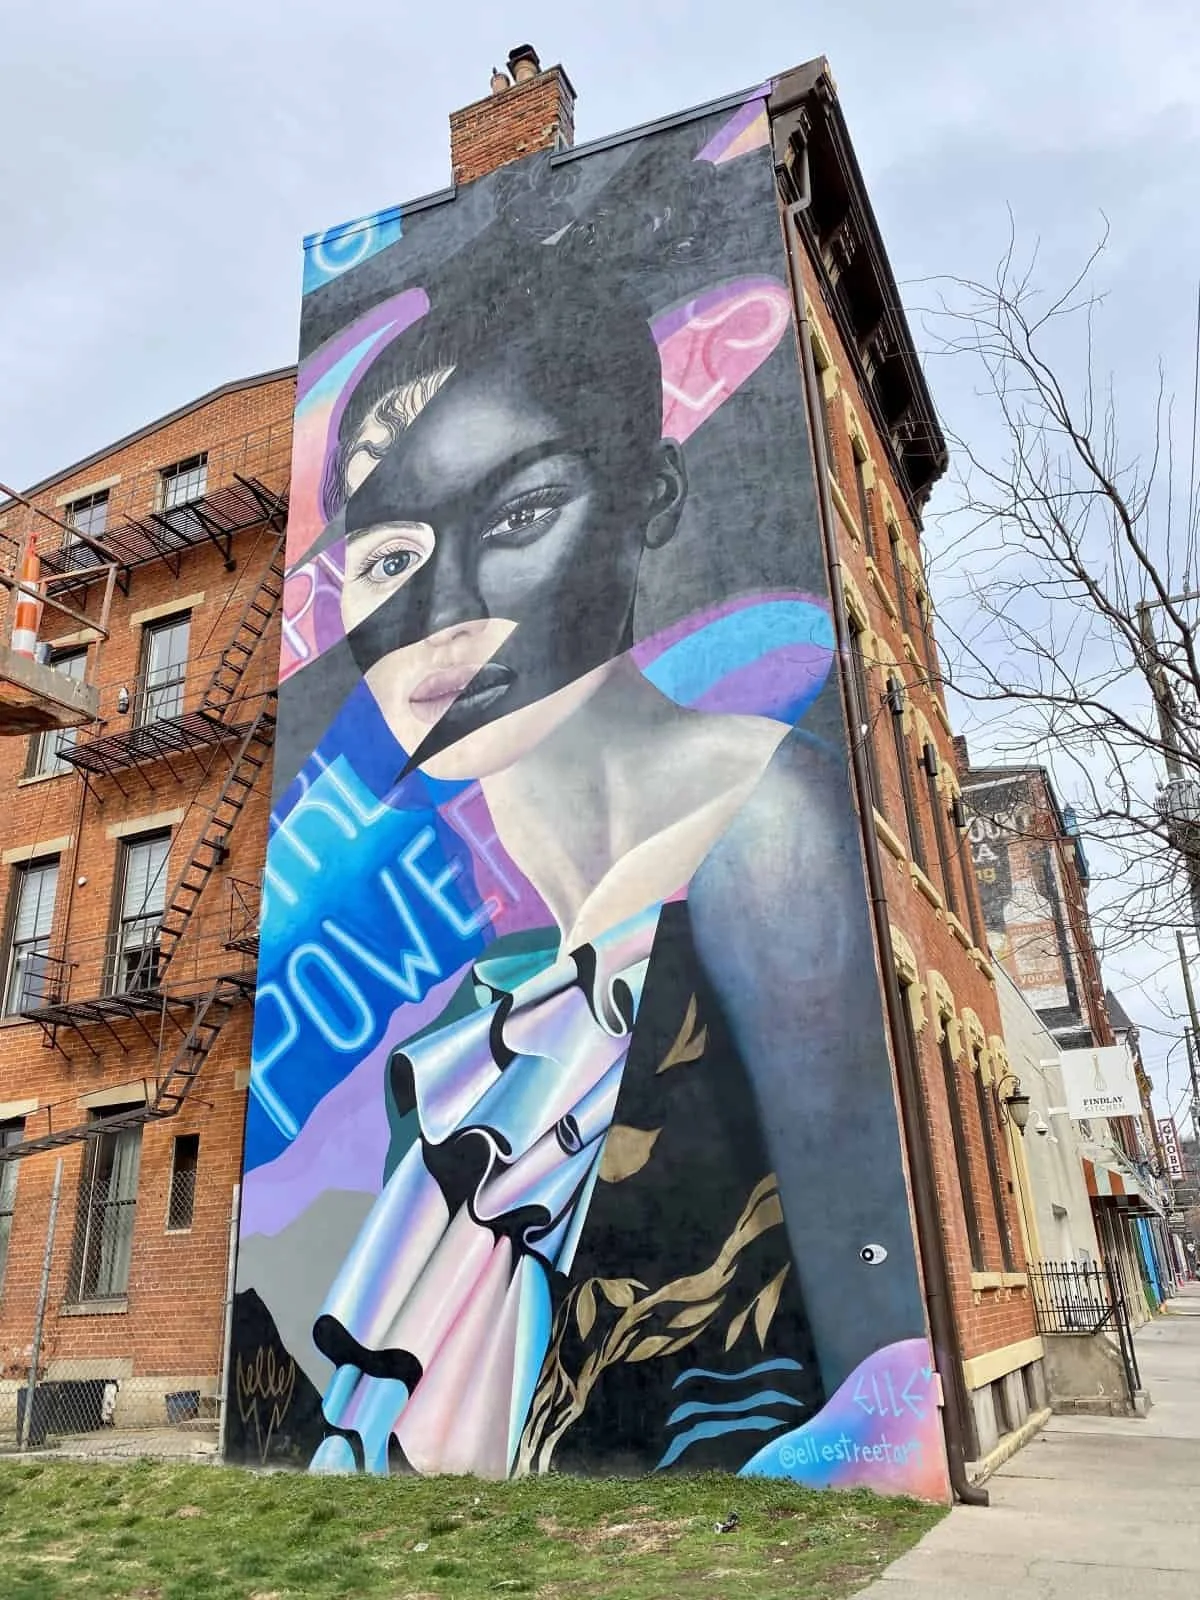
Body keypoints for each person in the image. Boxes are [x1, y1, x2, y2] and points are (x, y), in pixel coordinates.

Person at [302, 232, 925, 1477]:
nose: (444, 614)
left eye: (520, 513)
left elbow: (888, 1383)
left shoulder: (766, 830)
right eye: (388, 560)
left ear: (653, 495)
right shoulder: (484, 1018)